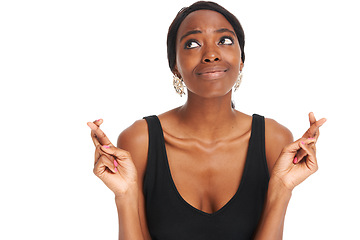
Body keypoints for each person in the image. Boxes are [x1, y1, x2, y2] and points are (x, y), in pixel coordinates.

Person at [87, 1, 326, 239]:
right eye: (192, 43)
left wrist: (283, 189)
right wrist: (124, 195)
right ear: (175, 67)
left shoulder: (273, 139)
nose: (211, 54)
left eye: (225, 41)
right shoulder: (141, 140)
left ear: (241, 59)